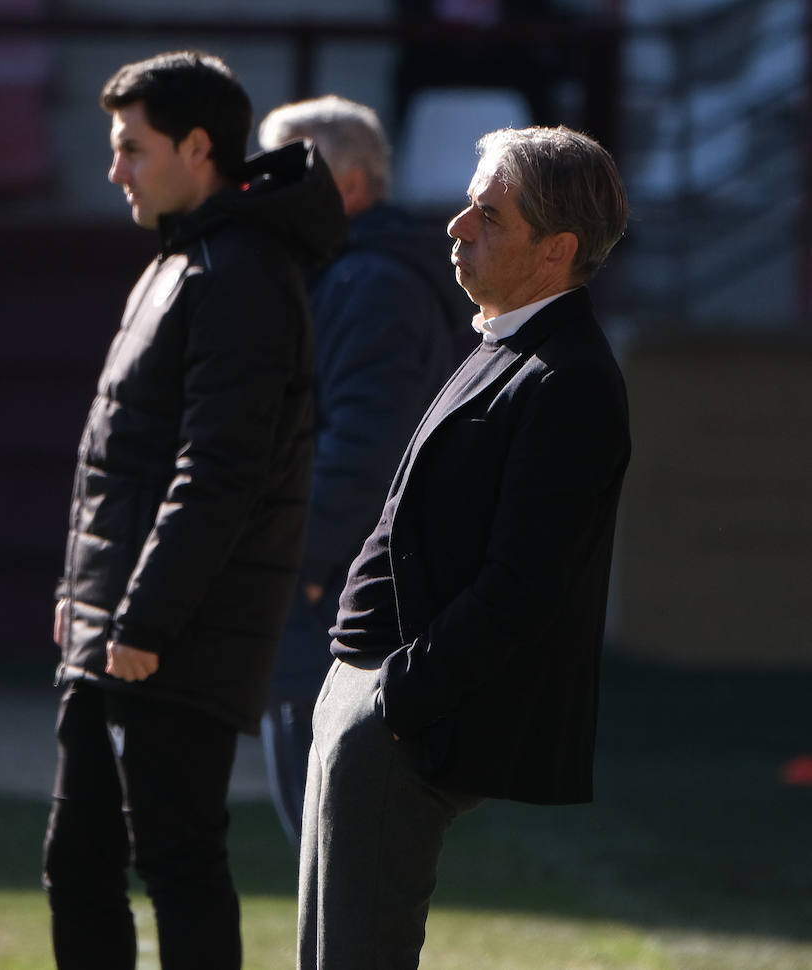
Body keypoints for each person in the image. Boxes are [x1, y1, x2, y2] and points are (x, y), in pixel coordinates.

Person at [298, 125, 630, 969]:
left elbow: (523, 585)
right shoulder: (506, 340)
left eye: (489, 214)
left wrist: (398, 701)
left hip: (401, 718)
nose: (457, 226)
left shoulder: (570, 377)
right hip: (367, 695)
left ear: (556, 250)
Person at [42, 51, 344, 970]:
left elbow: (220, 469)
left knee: (173, 861)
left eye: (132, 148)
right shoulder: (182, 261)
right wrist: (80, 595)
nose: (115, 170)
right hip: (121, 628)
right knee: (83, 862)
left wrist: (143, 616)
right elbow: (118, 458)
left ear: (198, 147)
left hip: (173, 636)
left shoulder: (238, 271)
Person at [254, 95, 473, 845]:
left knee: (339, 854)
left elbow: (367, 448)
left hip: (344, 609)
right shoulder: (348, 277)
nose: (258, 187)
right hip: (340, 597)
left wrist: (302, 566)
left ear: (347, 185)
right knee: (326, 850)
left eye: (281, 170)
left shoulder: (371, 285)